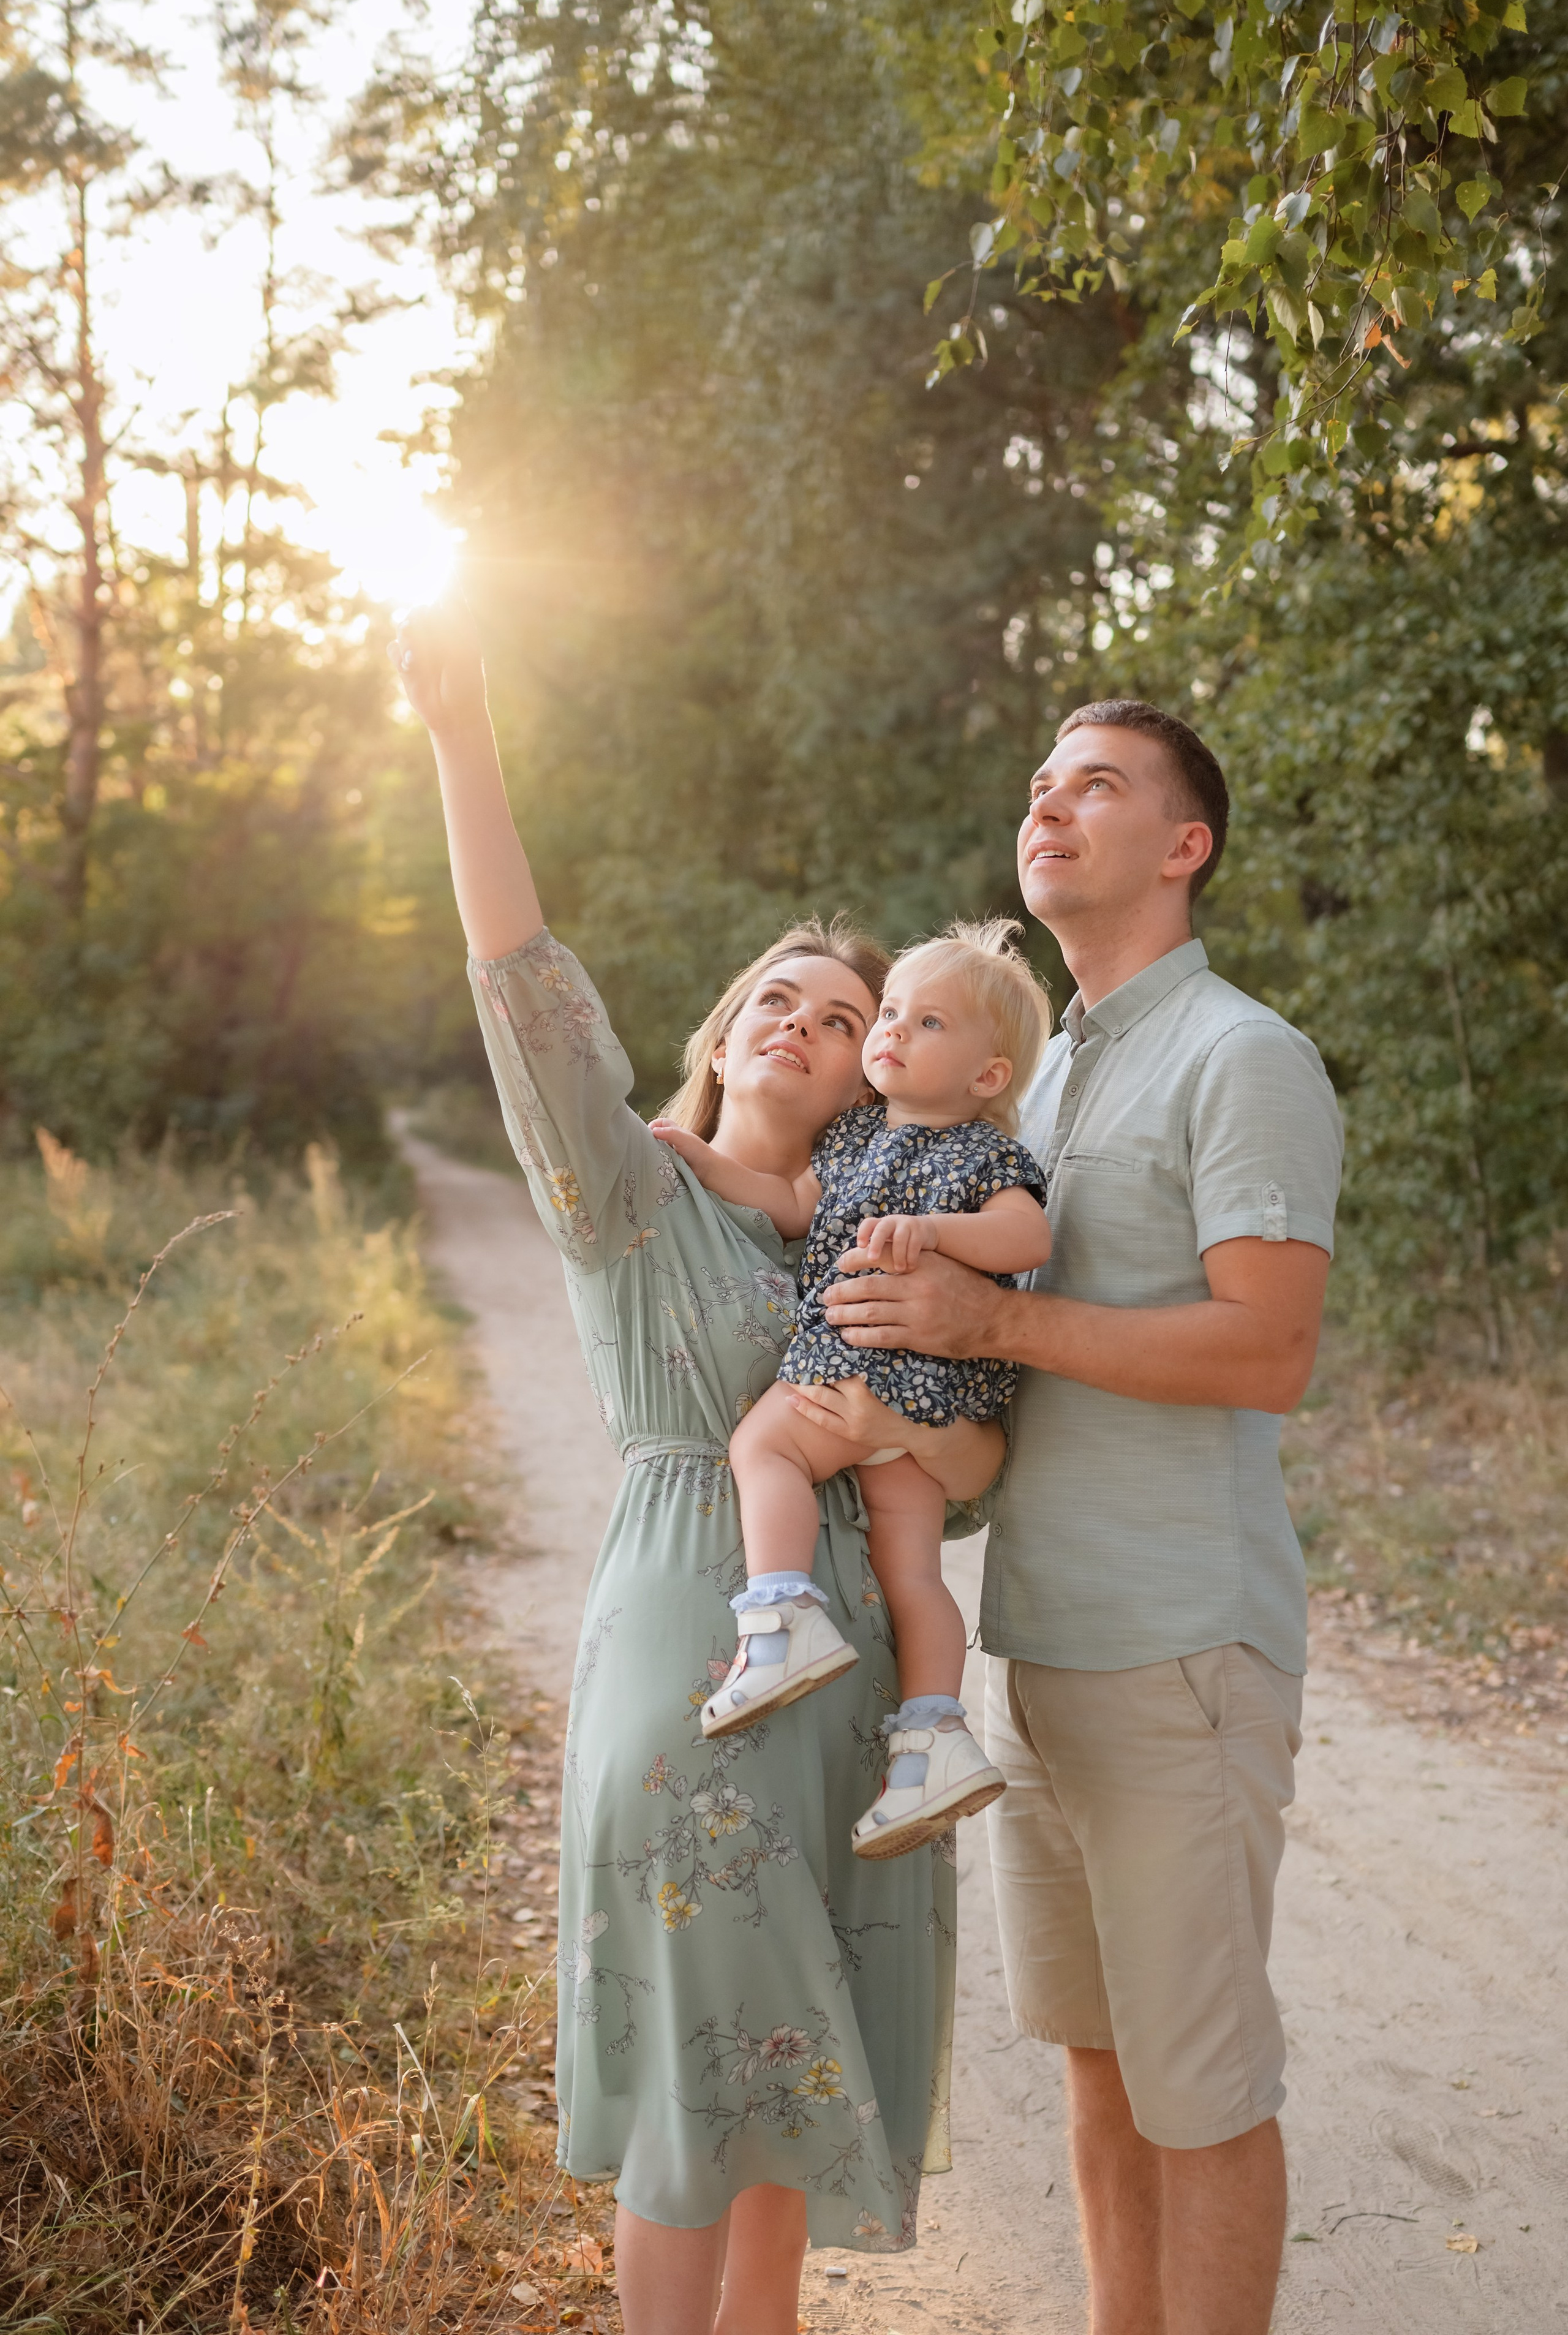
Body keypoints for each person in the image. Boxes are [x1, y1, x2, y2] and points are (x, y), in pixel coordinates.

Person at [390, 599, 959, 2335]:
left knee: (792, 2077)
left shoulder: (885, 1236)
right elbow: (525, 988)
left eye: (842, 1013)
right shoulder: (627, 1193)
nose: (802, 1019)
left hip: (863, 1682)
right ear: (721, 1036)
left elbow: (976, 1462)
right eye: (774, 996)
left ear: (871, 1071)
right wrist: (464, 739)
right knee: (686, 2092)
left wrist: (899, 1423)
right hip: (687, 1650)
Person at [802, 699, 1344, 2335]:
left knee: (1202, 2091)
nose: (1047, 804)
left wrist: (999, 1322)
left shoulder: (1241, 1056)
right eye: (1039, 782)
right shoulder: (1032, 1089)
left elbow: (1268, 1350)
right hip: (1034, 1653)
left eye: (1094, 785)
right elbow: (990, 1387)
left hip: (1181, 1650)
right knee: (1100, 2070)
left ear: (1183, 846)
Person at [653, 921, 1050, 1858]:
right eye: (892, 1014)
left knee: (764, 1447)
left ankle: (782, 1614)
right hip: (917, 1406)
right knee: (910, 1572)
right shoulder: (856, 1137)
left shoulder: (983, 1154)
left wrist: (937, 1233)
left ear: (988, 1075)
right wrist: (701, 1160)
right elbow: (792, 1204)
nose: (894, 1030)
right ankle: (932, 1739)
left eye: (926, 1023)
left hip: (877, 1365)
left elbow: (1027, 1238)